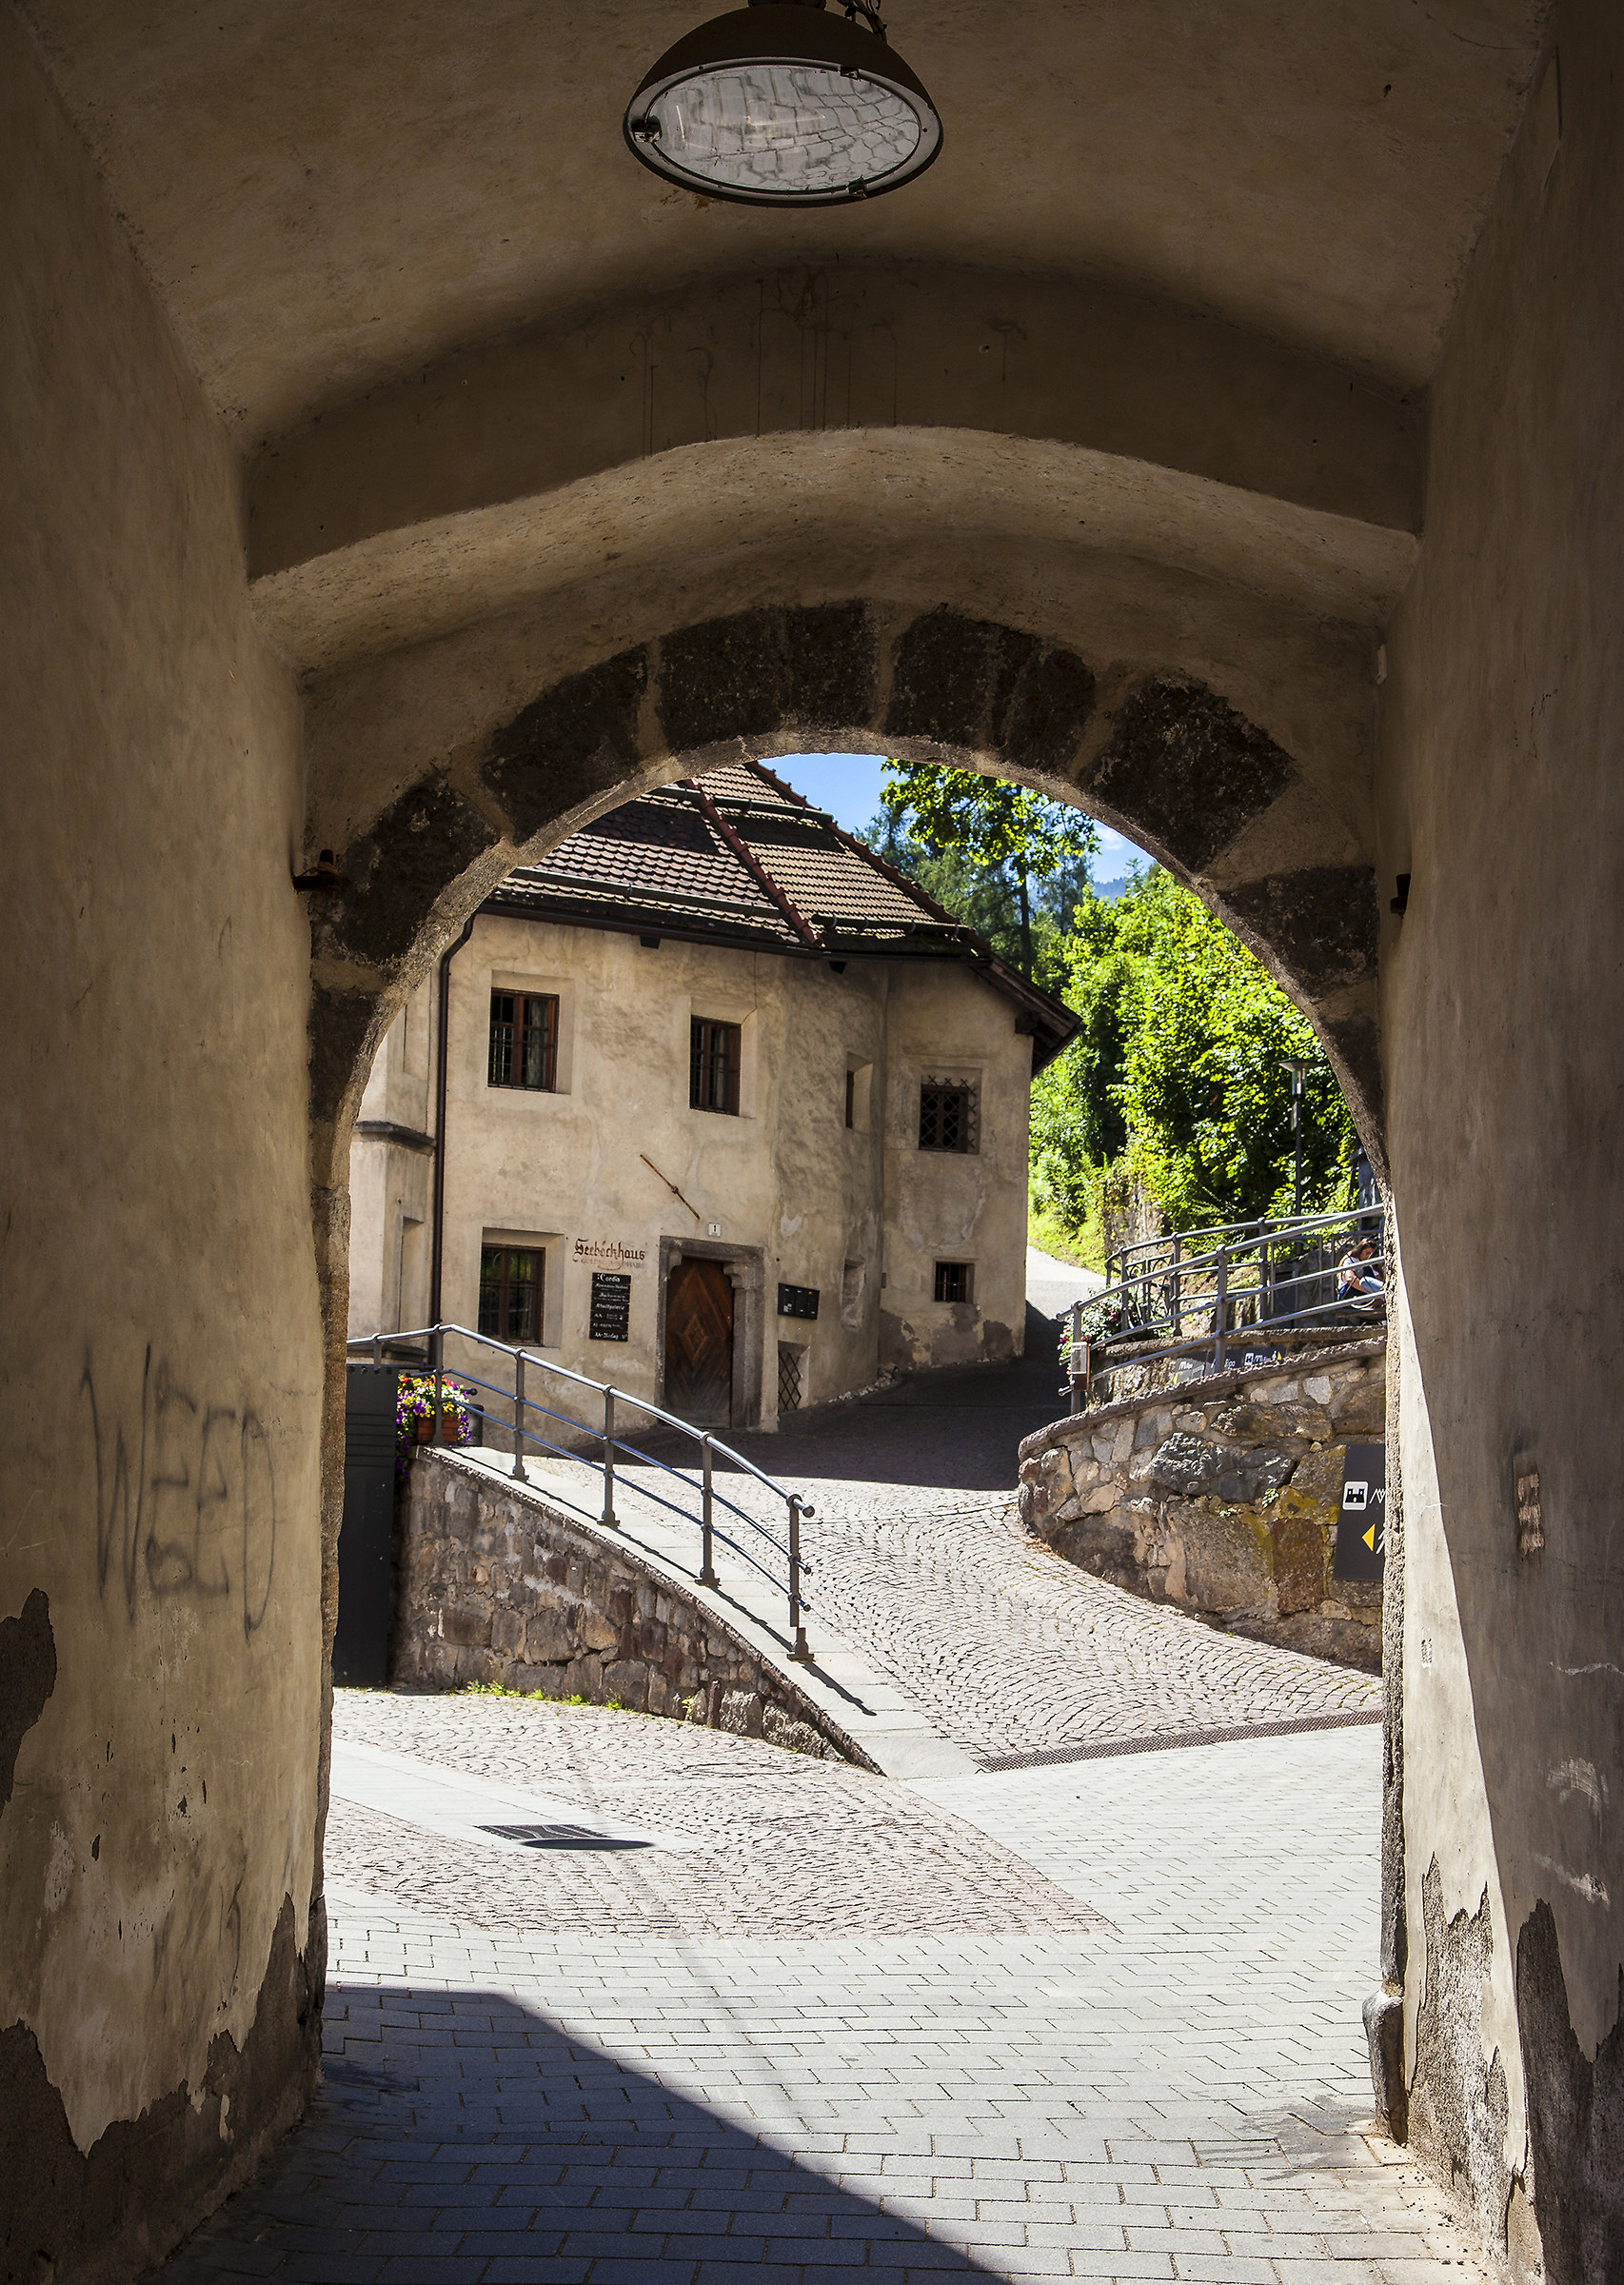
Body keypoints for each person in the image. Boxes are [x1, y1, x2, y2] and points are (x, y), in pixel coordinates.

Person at [1337, 1237, 1384, 1311]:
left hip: (1364, 1293)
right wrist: (1371, 1292)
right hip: (1348, 1293)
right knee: (1365, 1280)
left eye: (1371, 1254)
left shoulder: (1369, 1262)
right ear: (1360, 1251)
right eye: (1367, 1253)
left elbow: (1378, 1278)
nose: (1368, 1256)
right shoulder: (1350, 1260)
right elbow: (1350, 1279)